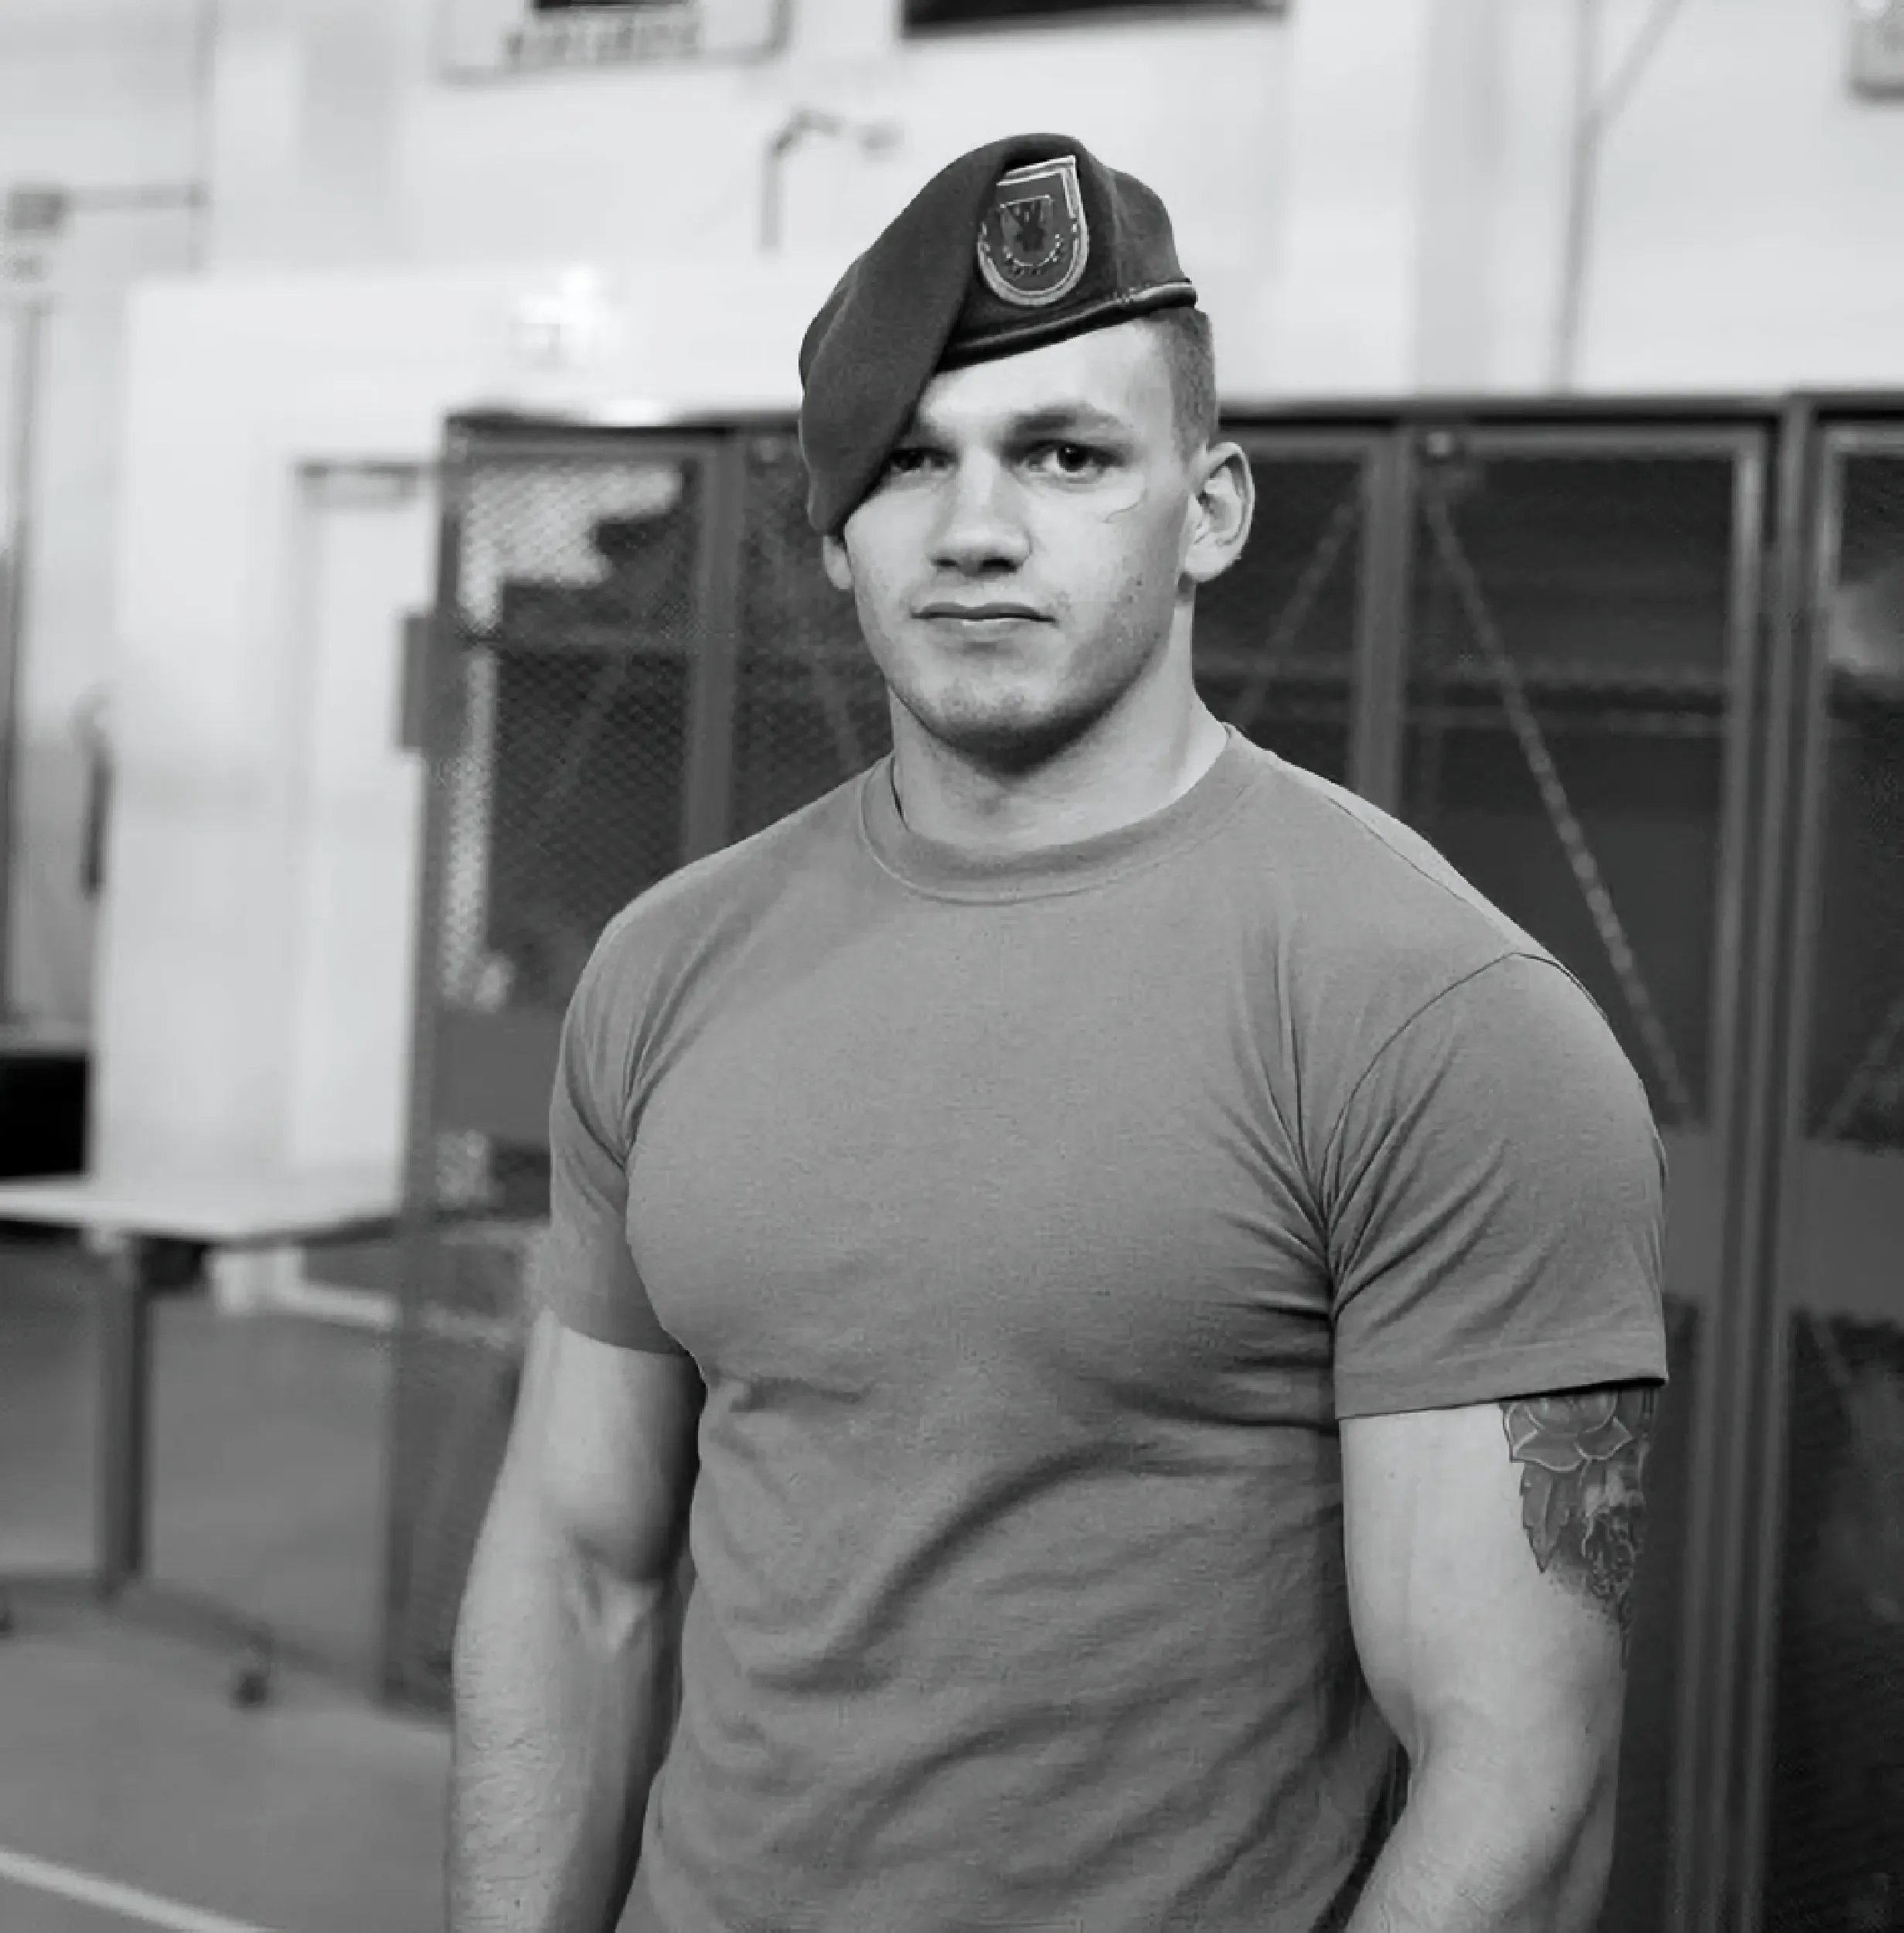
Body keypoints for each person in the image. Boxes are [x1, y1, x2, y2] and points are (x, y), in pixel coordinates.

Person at [448, 133, 1668, 1933]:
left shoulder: (1433, 1019)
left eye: (1067, 454)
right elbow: (575, 1566)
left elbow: (1516, 1772)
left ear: (1214, 506)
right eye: (906, 462)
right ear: (836, 532)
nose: (975, 527)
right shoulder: (667, 964)